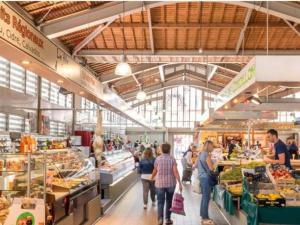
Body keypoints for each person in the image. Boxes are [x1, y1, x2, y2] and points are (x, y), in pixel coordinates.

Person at [151, 143, 183, 225]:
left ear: (161, 149)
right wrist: (179, 182)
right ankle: (168, 219)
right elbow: (175, 171)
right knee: (169, 201)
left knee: (160, 202)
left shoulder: (158, 159)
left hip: (159, 184)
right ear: (169, 149)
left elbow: (155, 170)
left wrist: (151, 177)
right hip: (171, 184)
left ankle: (160, 219)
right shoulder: (172, 159)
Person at [197, 140, 215, 225]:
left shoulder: (201, 153)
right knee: (206, 197)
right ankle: (205, 217)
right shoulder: (206, 154)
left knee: (204, 197)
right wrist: (214, 163)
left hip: (201, 176)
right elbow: (211, 168)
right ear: (209, 146)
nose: (213, 147)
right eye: (212, 146)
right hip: (206, 178)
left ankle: (203, 214)